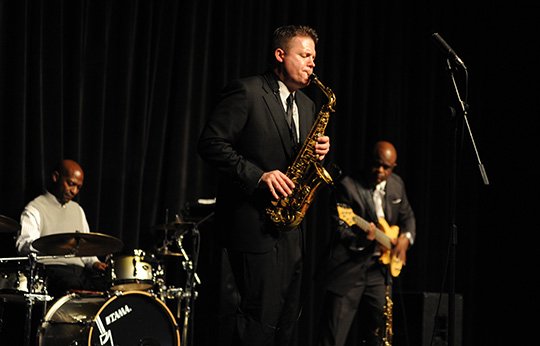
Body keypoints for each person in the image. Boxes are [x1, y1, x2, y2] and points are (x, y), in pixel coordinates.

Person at [198, 25, 330, 345]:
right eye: (305, 55)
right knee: (255, 324)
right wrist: (259, 176)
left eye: (314, 57)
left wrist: (318, 155)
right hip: (251, 228)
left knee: (284, 324)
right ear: (280, 55)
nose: (312, 63)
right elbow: (211, 144)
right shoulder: (247, 91)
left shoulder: (308, 106)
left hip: (289, 233)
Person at [317, 141, 416, 346]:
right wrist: (362, 239)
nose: (380, 170)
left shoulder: (397, 185)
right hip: (348, 269)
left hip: (379, 272)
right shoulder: (348, 186)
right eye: (376, 164)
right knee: (333, 337)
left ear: (393, 167)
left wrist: (405, 240)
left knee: (380, 335)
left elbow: (408, 219)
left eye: (386, 167)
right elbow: (339, 229)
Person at [15, 159, 109, 299]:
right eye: (71, 184)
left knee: (108, 287)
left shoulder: (77, 210)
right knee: (71, 283)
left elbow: (85, 250)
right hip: (52, 271)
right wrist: (54, 246)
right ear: (55, 177)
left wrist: (94, 263)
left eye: (78, 187)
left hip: (79, 272)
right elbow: (23, 244)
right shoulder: (35, 208)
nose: (74, 191)